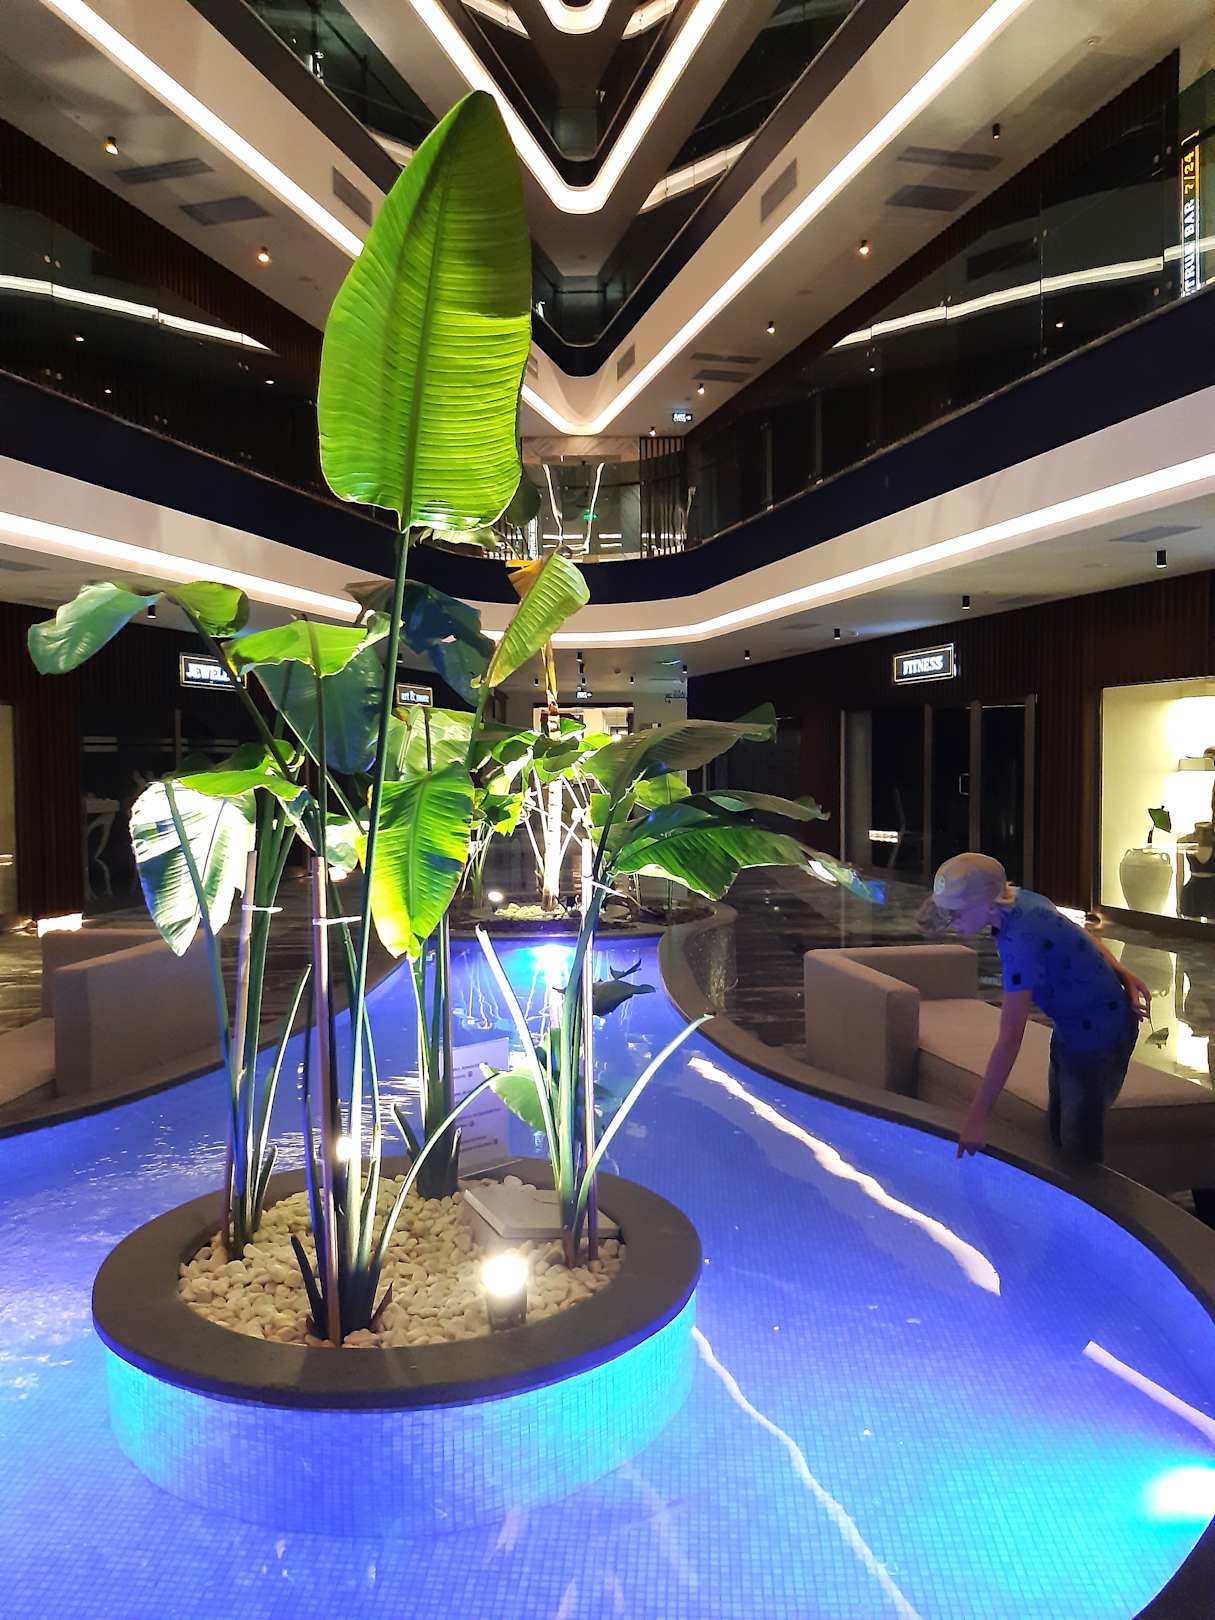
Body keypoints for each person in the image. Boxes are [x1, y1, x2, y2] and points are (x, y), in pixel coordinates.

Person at [921, 854, 1151, 1163]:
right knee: (1058, 1131)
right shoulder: (1020, 900)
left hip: (1100, 1033)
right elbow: (1077, 934)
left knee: (1078, 1146)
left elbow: (1009, 1039)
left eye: (957, 913)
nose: (952, 922)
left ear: (987, 903)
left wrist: (976, 1117)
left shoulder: (1020, 940)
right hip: (1073, 1026)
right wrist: (1121, 973)